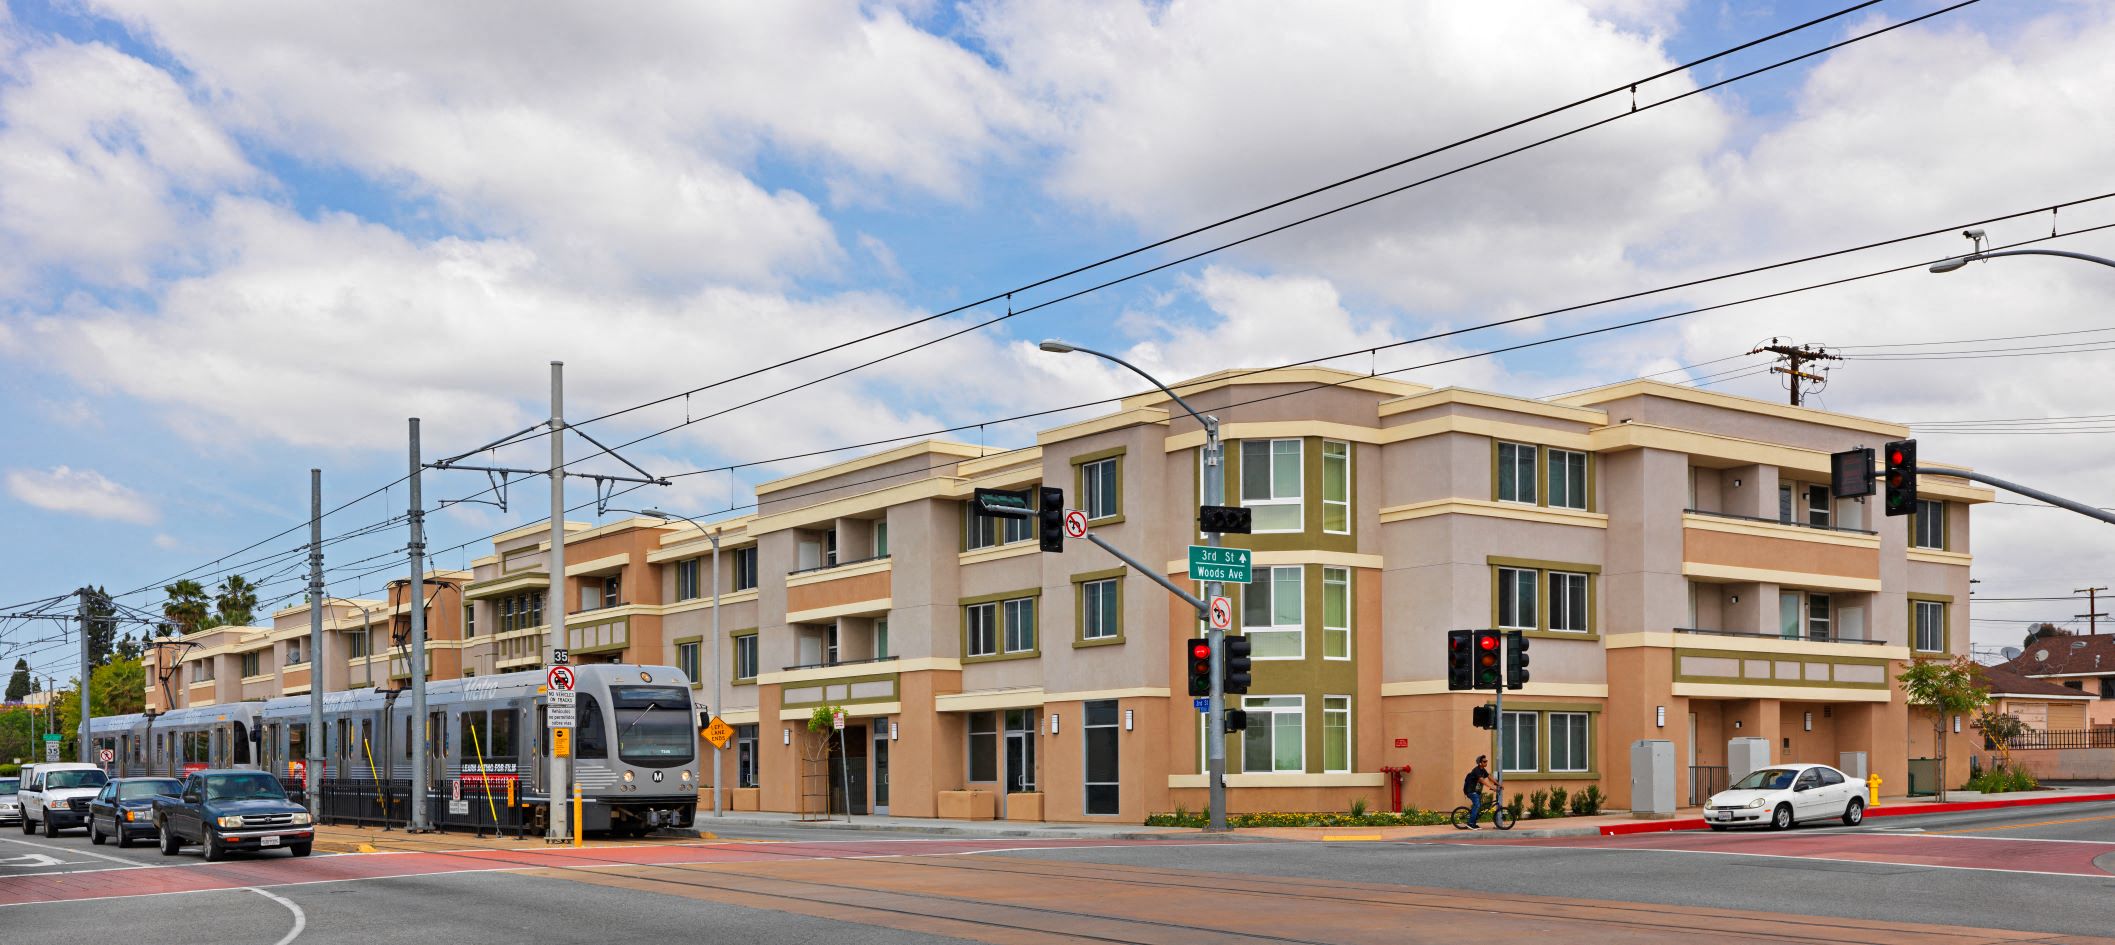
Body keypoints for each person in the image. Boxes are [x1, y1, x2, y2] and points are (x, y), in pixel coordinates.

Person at [1462, 754, 1498, 829]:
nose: (1486, 762)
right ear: (1480, 763)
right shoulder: (1477, 770)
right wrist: (1491, 787)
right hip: (1470, 790)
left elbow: (1489, 777)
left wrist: (1498, 784)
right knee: (1477, 805)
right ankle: (1470, 823)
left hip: (1476, 791)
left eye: (1486, 761)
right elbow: (1482, 780)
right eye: (1484, 761)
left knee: (1477, 806)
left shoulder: (1483, 770)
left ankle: (1473, 823)